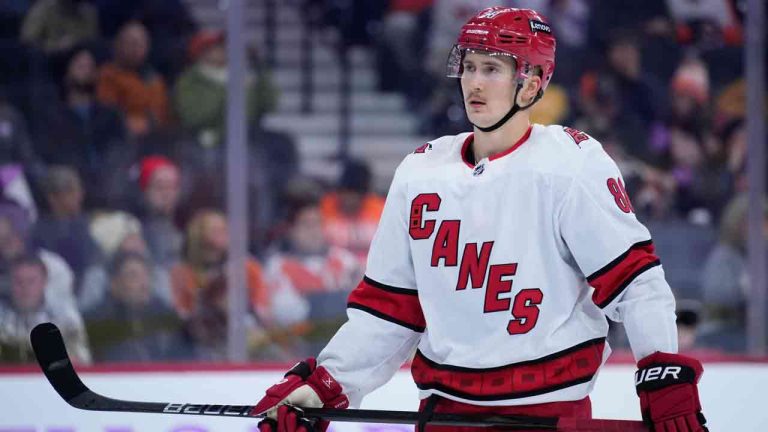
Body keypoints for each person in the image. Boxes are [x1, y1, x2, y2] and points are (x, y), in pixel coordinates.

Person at [252, 7, 707, 432]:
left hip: (549, 413)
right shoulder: (419, 172)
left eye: (491, 69)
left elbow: (636, 282)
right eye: (469, 67)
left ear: (530, 83)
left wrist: (662, 374)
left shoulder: (572, 165)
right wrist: (325, 386)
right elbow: (388, 311)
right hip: (445, 413)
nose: (474, 82)